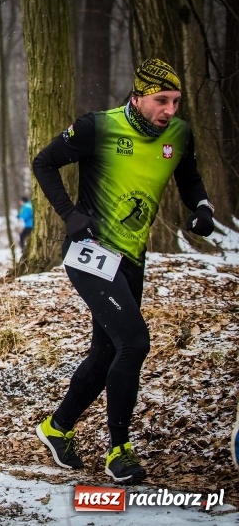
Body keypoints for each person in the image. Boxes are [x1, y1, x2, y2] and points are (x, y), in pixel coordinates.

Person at [32, 58, 215, 484]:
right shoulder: (98, 127)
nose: (169, 109)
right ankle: (119, 450)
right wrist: (69, 213)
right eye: (160, 100)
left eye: (175, 101)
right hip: (90, 251)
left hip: (132, 257)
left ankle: (56, 428)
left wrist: (202, 207)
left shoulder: (179, 134)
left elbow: (190, 178)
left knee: (108, 349)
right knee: (134, 342)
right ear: (137, 98)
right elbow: (44, 162)